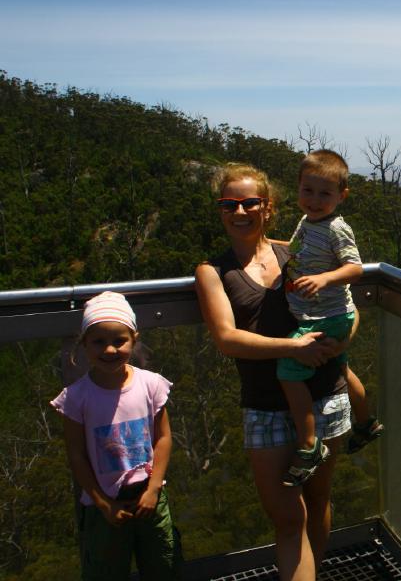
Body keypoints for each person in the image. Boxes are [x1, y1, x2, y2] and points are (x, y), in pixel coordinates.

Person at [194, 163, 350, 581]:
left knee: (318, 501)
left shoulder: (296, 252)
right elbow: (227, 339)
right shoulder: (213, 272)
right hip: (265, 408)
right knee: (288, 518)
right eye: (228, 204)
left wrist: (341, 340)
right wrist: (295, 348)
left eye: (250, 203)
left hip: (324, 395)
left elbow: (343, 303)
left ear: (268, 207)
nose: (239, 211)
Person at [51, 291, 181, 580]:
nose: (109, 350)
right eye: (99, 341)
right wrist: (102, 503)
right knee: (106, 571)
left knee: (163, 565)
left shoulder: (150, 385)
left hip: (150, 496)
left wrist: (153, 489)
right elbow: (76, 454)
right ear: (84, 343)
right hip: (103, 506)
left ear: (134, 339)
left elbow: (163, 437)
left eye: (119, 341)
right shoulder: (76, 398)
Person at [277, 149, 383, 487]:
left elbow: (355, 268)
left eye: (325, 193)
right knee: (340, 368)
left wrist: (324, 279)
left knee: (288, 370)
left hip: (326, 316)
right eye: (308, 190)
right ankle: (366, 423)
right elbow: (296, 250)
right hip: (323, 313)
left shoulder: (337, 228)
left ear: (342, 196)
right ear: (298, 188)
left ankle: (309, 445)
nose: (315, 200)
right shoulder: (307, 222)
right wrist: (264, 243)